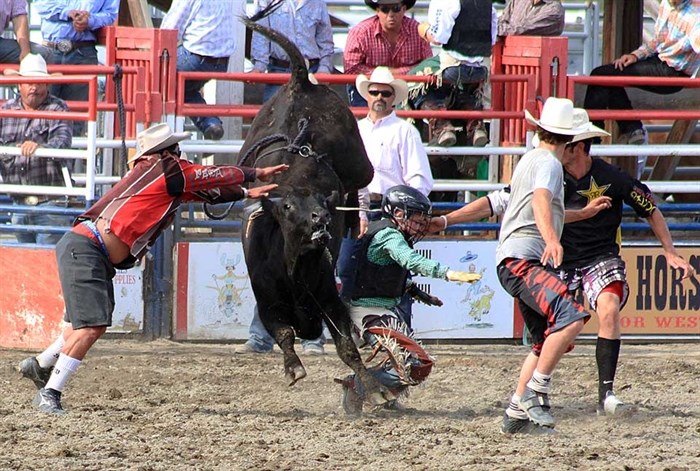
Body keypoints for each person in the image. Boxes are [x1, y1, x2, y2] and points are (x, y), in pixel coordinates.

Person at [432, 108, 697, 422]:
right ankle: (527, 397)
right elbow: (532, 203)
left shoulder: (604, 175)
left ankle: (598, 394)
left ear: (580, 147)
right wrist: (560, 232)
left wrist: (669, 250)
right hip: (555, 259)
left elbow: (650, 207)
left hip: (596, 256)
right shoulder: (548, 168)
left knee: (604, 309)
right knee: (562, 327)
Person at [17, 122, 288, 414]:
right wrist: (254, 173)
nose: (179, 153)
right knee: (91, 326)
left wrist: (245, 193)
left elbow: (205, 190)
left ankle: (41, 364)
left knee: (79, 324)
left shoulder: (156, 176)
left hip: (85, 248)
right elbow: (207, 175)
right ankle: (50, 392)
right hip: (88, 249)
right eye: (175, 149)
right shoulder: (167, 170)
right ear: (165, 152)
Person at [336, 185, 480, 416]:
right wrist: (448, 273)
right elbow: (410, 261)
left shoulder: (389, 232)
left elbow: (385, 273)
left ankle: (379, 396)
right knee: (415, 363)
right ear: (398, 213)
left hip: (381, 310)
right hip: (367, 311)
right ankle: (358, 385)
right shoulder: (388, 235)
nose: (421, 223)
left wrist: (417, 292)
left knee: (412, 362)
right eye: (416, 217)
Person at [494, 97, 593, 433]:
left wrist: (447, 220)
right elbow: (539, 202)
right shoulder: (549, 165)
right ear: (572, 143)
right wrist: (552, 239)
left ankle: (516, 412)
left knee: (546, 340)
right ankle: (535, 392)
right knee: (571, 315)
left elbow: (518, 203)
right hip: (524, 260)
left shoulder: (530, 160)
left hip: (514, 260)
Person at [337, 66, 433, 330]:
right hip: (358, 209)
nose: (379, 97)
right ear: (367, 95)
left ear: (393, 97)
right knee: (348, 270)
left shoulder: (405, 131)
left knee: (393, 276)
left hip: (390, 213)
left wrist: (404, 212)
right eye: (375, 92)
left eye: (385, 93)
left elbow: (420, 180)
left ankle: (401, 332)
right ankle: (352, 331)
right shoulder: (356, 130)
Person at [583, 0, 699, 146]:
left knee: (600, 75)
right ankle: (630, 129)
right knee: (608, 75)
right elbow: (658, 40)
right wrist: (636, 55)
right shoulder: (668, 4)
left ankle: (592, 139)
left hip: (672, 71)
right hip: (661, 62)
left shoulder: (695, 15)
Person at [0, 53, 73, 245]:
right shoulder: (6, 110)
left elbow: (63, 141)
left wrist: (40, 147)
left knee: (42, 261)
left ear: (46, 85)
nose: (34, 87)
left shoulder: (58, 108)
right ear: (19, 85)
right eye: (29, 82)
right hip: (18, 204)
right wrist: (10, 149)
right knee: (27, 265)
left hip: (50, 203)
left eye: (39, 82)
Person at [413, 0, 498, 147]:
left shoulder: (448, 2)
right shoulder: (488, 6)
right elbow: (492, 39)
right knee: (460, 92)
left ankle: (442, 125)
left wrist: (424, 30)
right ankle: (476, 125)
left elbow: (438, 38)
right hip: (480, 69)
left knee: (413, 81)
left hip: (453, 65)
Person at [33, 0, 119, 135]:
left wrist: (90, 21)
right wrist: (69, 13)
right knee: (40, 113)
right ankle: (42, 153)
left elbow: (110, 15)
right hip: (52, 51)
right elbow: (41, 4)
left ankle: (72, 154)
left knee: (76, 118)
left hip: (82, 51)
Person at [161, 0, 240, 141]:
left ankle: (161, 136)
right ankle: (210, 124)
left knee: (159, 76)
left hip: (197, 56)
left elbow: (169, 31)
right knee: (185, 90)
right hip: (221, 61)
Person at [344, 0, 432, 107]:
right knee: (364, 116)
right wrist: (398, 73)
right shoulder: (360, 33)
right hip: (369, 88)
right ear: (377, 11)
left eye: (396, 8)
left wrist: (387, 73)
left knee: (428, 103)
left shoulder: (417, 31)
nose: (390, 14)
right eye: (385, 9)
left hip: (409, 88)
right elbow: (351, 69)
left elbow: (429, 66)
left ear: (403, 9)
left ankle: (436, 120)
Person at [251, 0, 334, 102]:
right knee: (273, 114)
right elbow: (261, 35)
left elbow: (325, 40)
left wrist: (324, 69)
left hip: (311, 71)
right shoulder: (266, 1)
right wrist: (259, 67)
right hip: (279, 71)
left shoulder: (318, 3)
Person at [497, 0, 565, 37]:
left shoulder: (554, 10)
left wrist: (494, 29)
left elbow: (520, 30)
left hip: (532, 59)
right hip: (505, 57)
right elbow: (502, 20)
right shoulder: (518, 1)